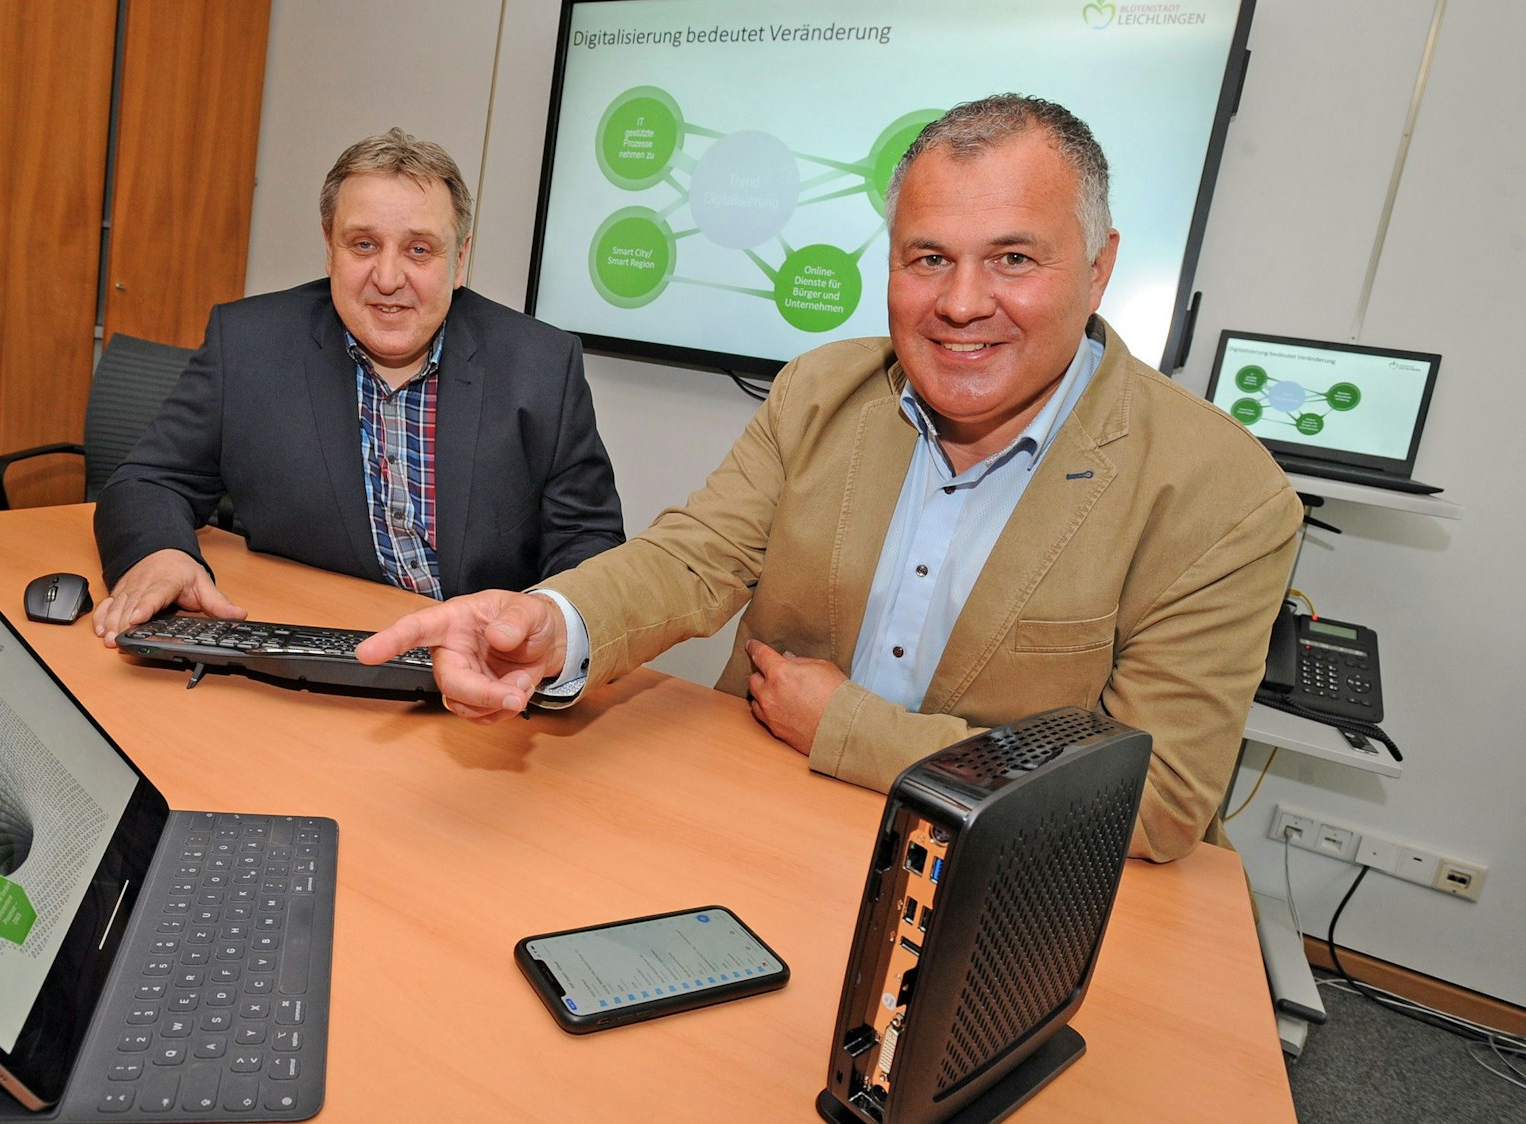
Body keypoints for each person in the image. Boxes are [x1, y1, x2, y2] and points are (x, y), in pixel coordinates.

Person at [358, 95, 1302, 862]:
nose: (960, 303)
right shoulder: (820, 388)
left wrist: (849, 730)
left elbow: (1155, 798)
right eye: (927, 259)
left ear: (1097, 270)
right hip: (761, 825)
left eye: (1012, 259)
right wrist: (550, 622)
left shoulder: (1224, 496)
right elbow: (694, 559)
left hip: (1006, 885)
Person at [91, 128, 624, 643]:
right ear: (330, 249)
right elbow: (149, 481)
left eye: (419, 250)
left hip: (482, 660)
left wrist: (548, 620)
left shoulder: (541, 365)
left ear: (459, 260)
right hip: (313, 640)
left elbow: (588, 540)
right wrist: (161, 555)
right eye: (364, 244)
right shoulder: (248, 345)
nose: (387, 278)